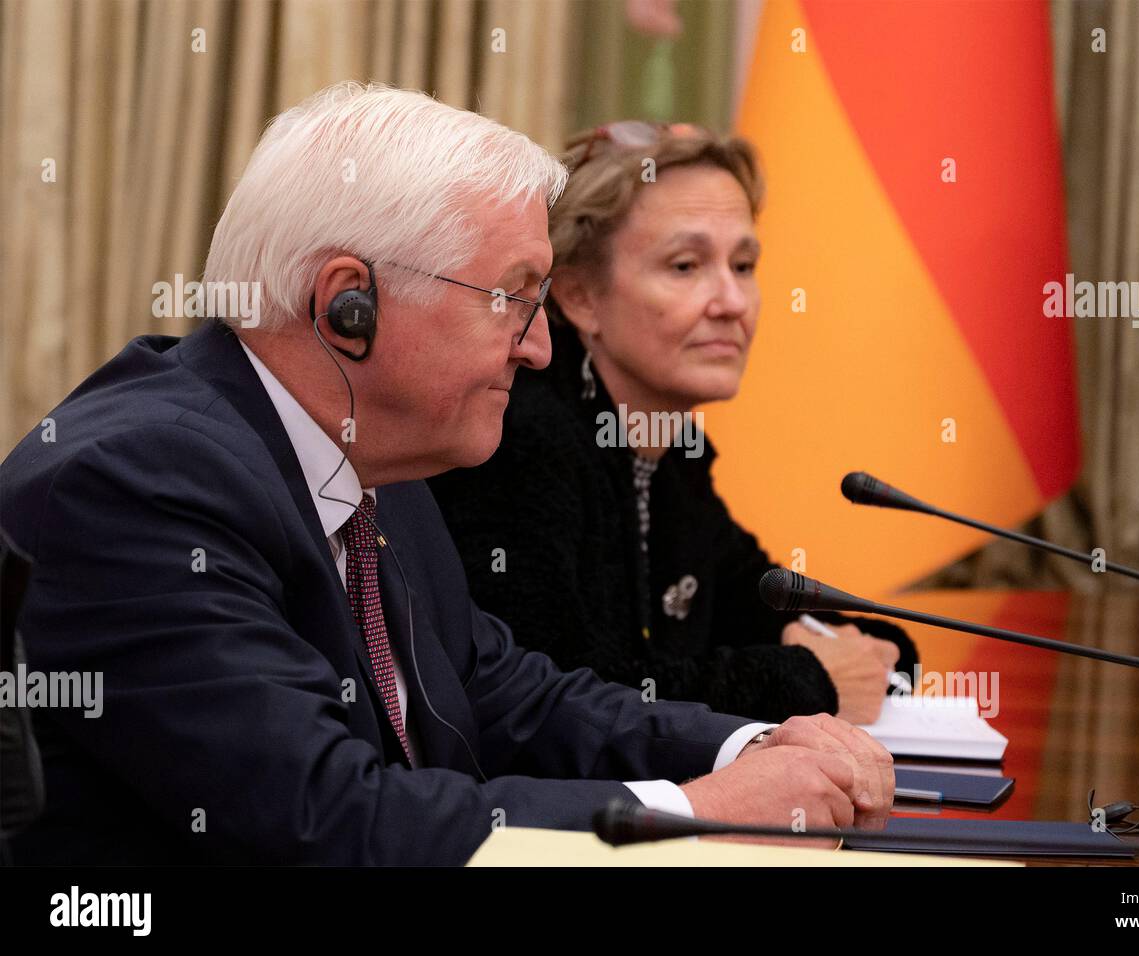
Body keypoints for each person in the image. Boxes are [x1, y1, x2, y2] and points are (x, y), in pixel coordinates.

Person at [0, 84, 893, 865]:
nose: (541, 347)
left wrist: (750, 747)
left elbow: (505, 694)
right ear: (348, 307)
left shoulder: (377, 462)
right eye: (512, 297)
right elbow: (329, 817)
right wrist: (696, 811)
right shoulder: (133, 484)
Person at [430, 122, 917, 725]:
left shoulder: (671, 446)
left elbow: (759, 601)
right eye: (686, 267)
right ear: (581, 297)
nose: (731, 302)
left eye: (743, 265)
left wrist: (876, 652)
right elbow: (555, 699)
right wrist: (810, 677)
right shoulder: (523, 438)